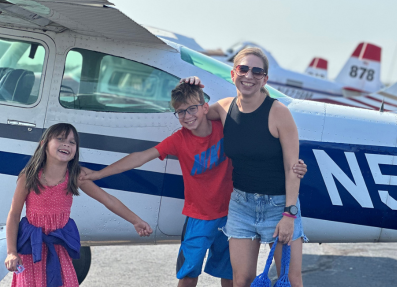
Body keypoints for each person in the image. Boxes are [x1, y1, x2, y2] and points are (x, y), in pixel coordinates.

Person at [80, 82, 307, 287]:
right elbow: (141, 156)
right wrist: (100, 174)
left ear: (205, 107)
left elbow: (259, 142)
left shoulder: (225, 128)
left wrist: (295, 165)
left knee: (231, 277)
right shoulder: (178, 140)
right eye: (180, 112)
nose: (187, 116)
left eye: (192, 109)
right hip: (198, 217)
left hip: (232, 215)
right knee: (188, 275)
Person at [183, 47, 307, 287]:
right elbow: (193, 115)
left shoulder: (279, 113)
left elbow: (293, 167)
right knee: (241, 280)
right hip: (241, 204)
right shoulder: (223, 108)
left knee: (290, 279)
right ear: (233, 74)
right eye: (243, 69)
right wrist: (191, 86)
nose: (249, 76)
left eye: (257, 71)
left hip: (279, 204)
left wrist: (289, 215)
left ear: (264, 79)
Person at [4, 123, 152, 287]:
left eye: (72, 142)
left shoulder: (74, 176)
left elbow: (108, 200)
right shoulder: (29, 176)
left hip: (59, 247)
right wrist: (11, 252)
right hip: (32, 248)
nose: (66, 144)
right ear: (44, 144)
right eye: (60, 139)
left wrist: (136, 220)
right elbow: (14, 214)